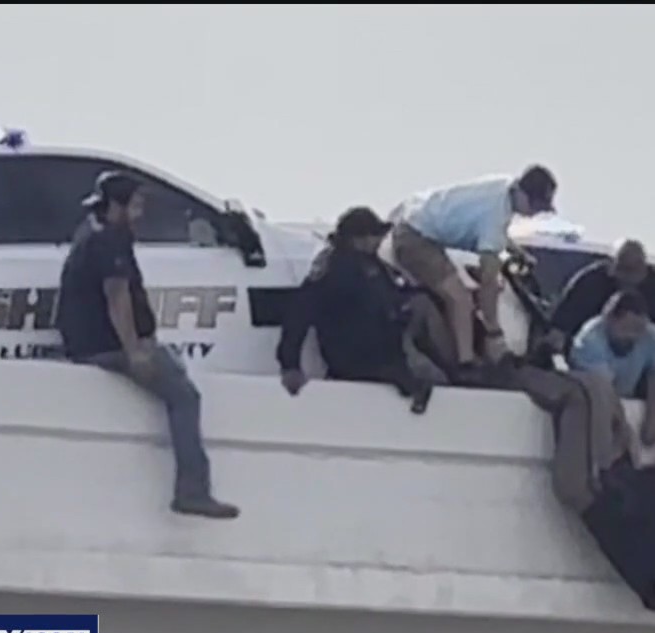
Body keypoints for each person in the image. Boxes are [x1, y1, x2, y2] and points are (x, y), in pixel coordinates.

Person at [56, 171, 239, 520]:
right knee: (185, 397)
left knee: (172, 366)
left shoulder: (92, 235)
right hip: (106, 345)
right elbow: (117, 298)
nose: (140, 213)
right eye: (136, 205)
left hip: (93, 342)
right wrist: (135, 352)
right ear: (116, 206)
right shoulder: (110, 241)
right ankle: (193, 491)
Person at [514, 364, 655, 623]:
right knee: (605, 394)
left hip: (592, 488)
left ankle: (513, 372)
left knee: (584, 395)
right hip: (616, 473)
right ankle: (533, 365)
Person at [276, 206, 453, 412]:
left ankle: (457, 369)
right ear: (357, 239)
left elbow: (391, 297)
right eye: (373, 236)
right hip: (356, 357)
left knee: (423, 304)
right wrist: (290, 365)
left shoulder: (373, 263)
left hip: (388, 349)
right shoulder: (333, 268)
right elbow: (299, 313)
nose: (378, 241)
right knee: (435, 380)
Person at [390, 166, 557, 376]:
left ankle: (467, 351)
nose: (535, 213)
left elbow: (490, 232)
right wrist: (494, 331)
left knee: (478, 288)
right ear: (521, 193)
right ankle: (465, 364)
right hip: (414, 237)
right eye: (536, 205)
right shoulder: (495, 215)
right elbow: (488, 278)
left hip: (418, 221)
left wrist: (515, 251)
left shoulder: (502, 188)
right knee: (460, 298)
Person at [546, 239, 655, 446]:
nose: (628, 281)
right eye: (624, 273)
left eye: (634, 275)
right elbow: (557, 336)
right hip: (588, 373)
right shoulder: (589, 294)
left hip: (634, 379)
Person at [567, 291, 655, 456]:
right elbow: (605, 389)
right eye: (626, 329)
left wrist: (653, 413)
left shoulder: (650, 335)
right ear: (609, 320)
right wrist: (625, 432)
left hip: (627, 394)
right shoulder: (590, 340)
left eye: (638, 330)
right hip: (595, 400)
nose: (632, 336)